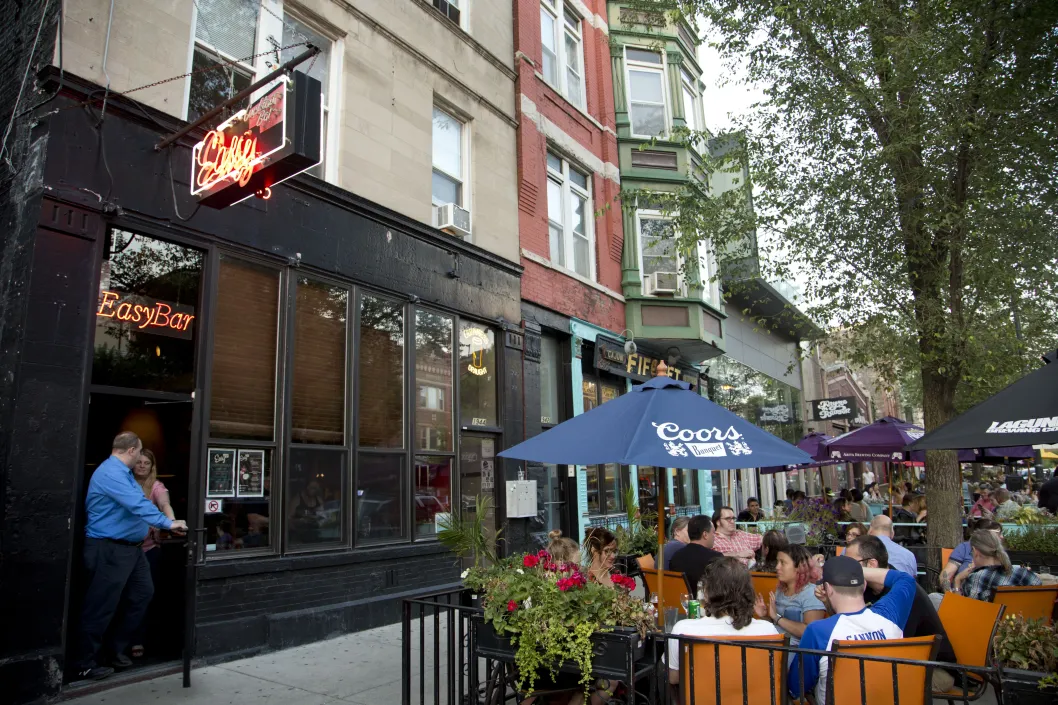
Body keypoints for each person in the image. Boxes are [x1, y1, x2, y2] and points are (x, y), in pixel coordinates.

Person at [73, 432, 188, 681]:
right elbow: (137, 503)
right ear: (133, 450)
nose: (139, 459)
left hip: (132, 550)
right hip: (110, 548)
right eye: (139, 453)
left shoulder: (121, 473)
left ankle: (116, 649)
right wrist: (168, 523)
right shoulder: (111, 473)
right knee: (100, 605)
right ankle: (85, 662)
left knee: (142, 594)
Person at [788, 556, 917, 703]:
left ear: (828, 589)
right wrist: (856, 571)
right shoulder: (889, 615)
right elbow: (905, 579)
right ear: (864, 585)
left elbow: (796, 687)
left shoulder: (818, 632)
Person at [846, 536, 958, 691]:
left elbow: (894, 645)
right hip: (907, 659)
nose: (845, 569)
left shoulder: (902, 592)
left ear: (871, 564)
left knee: (865, 684)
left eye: (850, 564)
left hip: (935, 669)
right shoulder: (868, 587)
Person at [667, 558, 780, 684]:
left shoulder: (683, 630)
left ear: (706, 592)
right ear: (748, 592)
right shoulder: (767, 631)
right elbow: (775, 676)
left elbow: (673, 678)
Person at [129, 449, 174, 659]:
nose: (142, 466)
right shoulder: (124, 483)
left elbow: (164, 503)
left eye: (147, 463)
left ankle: (139, 638)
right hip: (125, 548)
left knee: (144, 596)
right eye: (139, 462)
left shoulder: (156, 486)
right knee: (124, 595)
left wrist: (172, 522)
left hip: (148, 550)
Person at [760, 544, 826, 647]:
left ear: (799, 567)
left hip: (796, 652)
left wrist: (776, 617)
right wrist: (765, 616)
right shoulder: (781, 590)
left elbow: (809, 631)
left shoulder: (812, 593)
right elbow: (777, 625)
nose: (777, 567)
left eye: (782, 563)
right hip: (776, 643)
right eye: (778, 562)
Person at [958, 529, 1041, 603]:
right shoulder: (1023, 573)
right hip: (1023, 619)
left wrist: (957, 580)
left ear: (976, 552)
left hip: (991, 620)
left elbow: (966, 611)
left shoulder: (976, 578)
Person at [939, 519, 1002, 595]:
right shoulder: (965, 548)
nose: (1002, 537)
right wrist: (951, 596)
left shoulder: (999, 553)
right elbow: (945, 575)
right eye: (998, 534)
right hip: (959, 594)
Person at [669, 515, 723, 596]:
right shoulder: (715, 558)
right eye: (713, 532)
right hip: (708, 604)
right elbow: (723, 587)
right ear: (705, 534)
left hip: (683, 602)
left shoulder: (676, 557)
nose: (714, 536)